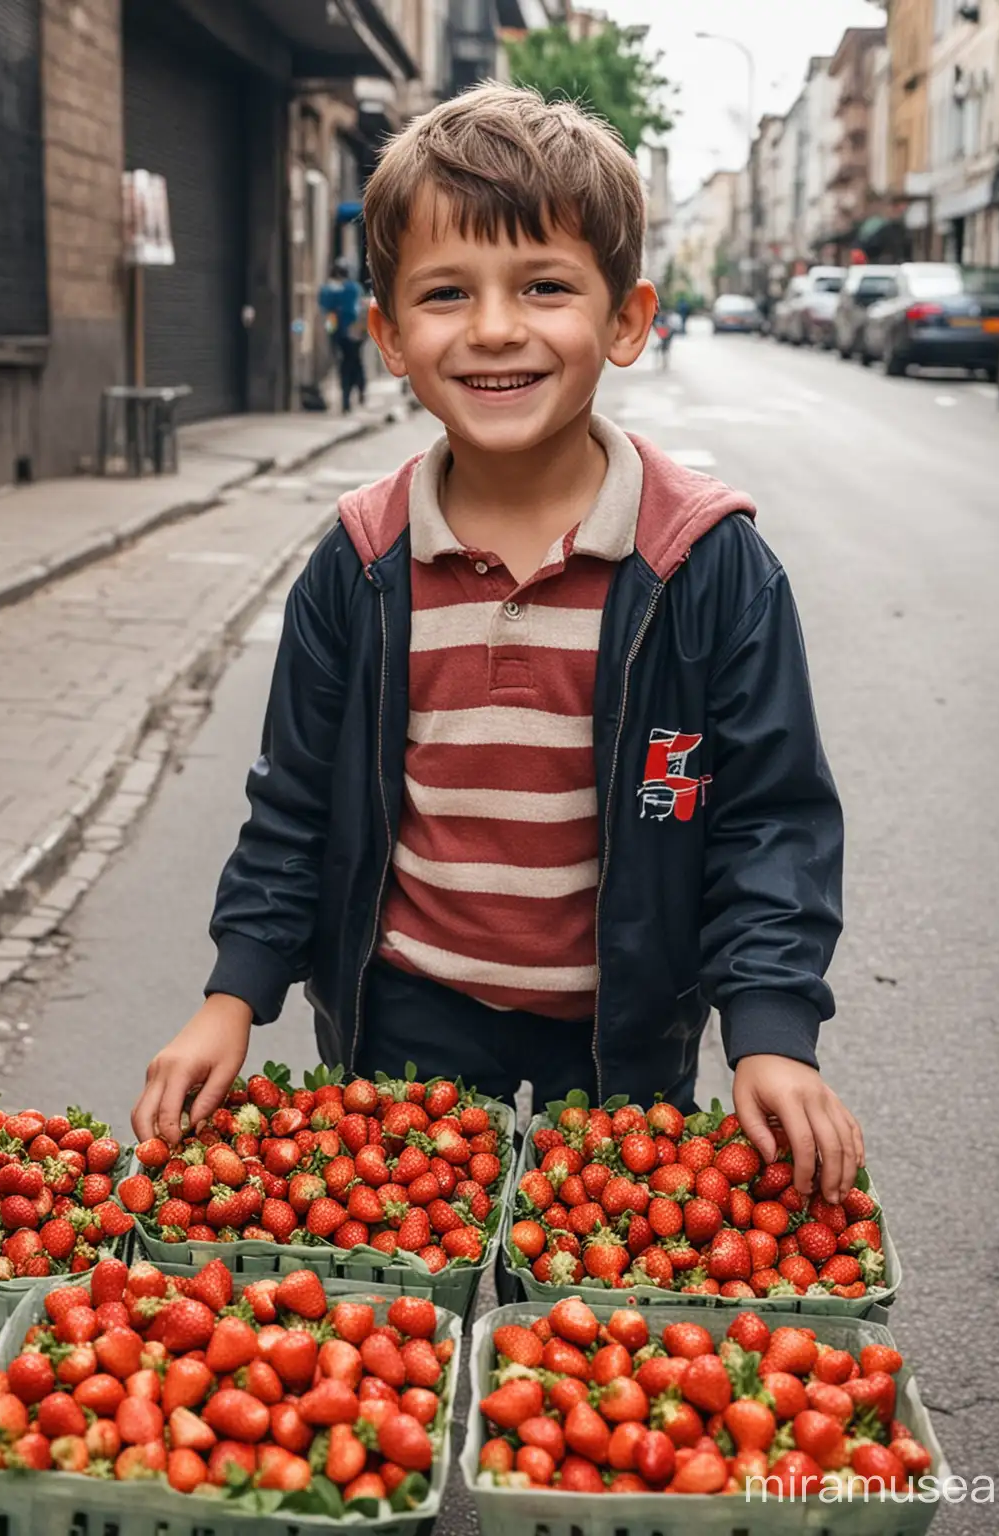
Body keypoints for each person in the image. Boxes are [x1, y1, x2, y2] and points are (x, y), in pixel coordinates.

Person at [133, 84, 861, 1201]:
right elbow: (294, 805)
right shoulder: (360, 563)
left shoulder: (706, 566)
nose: (493, 328)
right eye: (443, 293)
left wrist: (769, 1029)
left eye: (545, 285)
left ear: (626, 319)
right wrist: (231, 996)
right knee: (410, 1308)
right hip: (404, 1016)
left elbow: (770, 821)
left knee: (588, 1321)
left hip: (624, 1027)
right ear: (386, 335)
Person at [318, 258, 367, 413]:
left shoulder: (343, 289)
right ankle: (354, 393)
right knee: (351, 363)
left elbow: (326, 309)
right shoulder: (351, 289)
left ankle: (353, 394)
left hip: (348, 332)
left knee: (348, 364)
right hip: (349, 333)